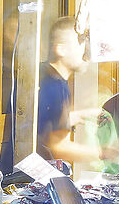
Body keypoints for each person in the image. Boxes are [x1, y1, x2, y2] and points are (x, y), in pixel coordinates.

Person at [37, 17, 94, 165]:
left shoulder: (43, 73)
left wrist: (80, 116)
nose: (86, 51)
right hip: (30, 177)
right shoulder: (56, 86)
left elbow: (46, 122)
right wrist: (105, 152)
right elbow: (59, 148)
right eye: (81, 44)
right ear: (60, 49)